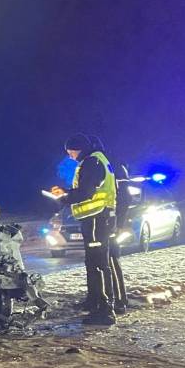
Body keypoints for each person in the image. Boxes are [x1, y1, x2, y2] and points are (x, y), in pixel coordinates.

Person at [53, 133, 118, 325]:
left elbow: (86, 192)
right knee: (93, 261)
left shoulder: (92, 162)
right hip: (98, 218)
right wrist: (66, 192)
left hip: (97, 218)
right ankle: (94, 301)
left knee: (98, 262)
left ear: (78, 148)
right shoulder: (97, 159)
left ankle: (105, 310)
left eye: (70, 152)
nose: (70, 156)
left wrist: (65, 198)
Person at [90, 136, 129, 314]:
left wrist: (120, 222)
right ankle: (101, 298)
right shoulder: (106, 165)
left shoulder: (109, 166)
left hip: (110, 220)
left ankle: (120, 300)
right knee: (105, 260)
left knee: (111, 259)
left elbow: (124, 198)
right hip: (107, 219)